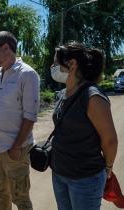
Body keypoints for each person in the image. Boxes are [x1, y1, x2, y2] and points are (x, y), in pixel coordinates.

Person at [50, 41, 118, 210]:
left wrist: (107, 168)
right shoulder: (63, 93)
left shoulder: (92, 96)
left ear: (72, 65)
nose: (52, 67)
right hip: (59, 173)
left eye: (56, 63)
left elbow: (110, 141)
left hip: (85, 179)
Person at [0, 31, 40, 210]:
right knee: (1, 194)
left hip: (15, 150)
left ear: (7, 48)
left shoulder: (27, 74)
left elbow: (30, 116)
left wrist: (16, 147)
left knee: (21, 199)